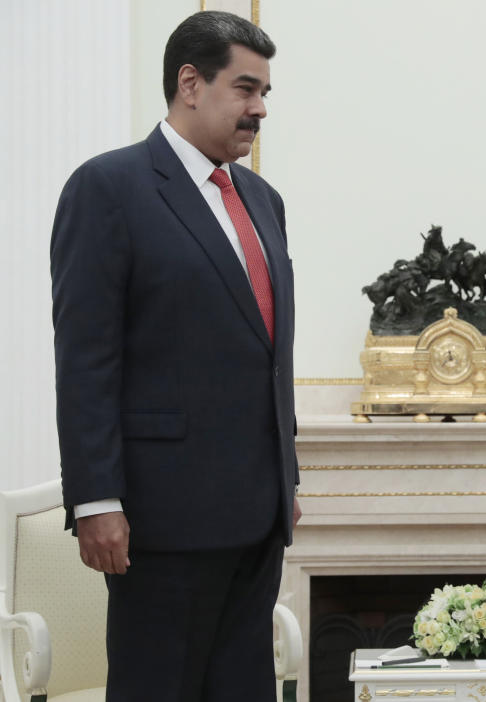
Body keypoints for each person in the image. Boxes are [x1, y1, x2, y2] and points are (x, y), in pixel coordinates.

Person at [50, 11, 299, 701]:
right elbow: (86, 359)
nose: (259, 109)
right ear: (190, 83)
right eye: (246, 88)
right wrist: (96, 498)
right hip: (160, 521)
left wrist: (288, 480)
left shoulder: (263, 200)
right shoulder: (108, 188)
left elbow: (265, 352)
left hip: (257, 518)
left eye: (266, 93)